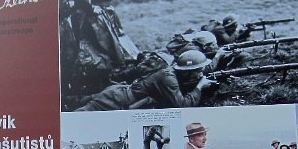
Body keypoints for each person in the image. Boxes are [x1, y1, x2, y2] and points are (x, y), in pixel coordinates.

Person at [62, 0, 139, 99]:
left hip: (101, 13)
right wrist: (92, 9)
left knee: (108, 48)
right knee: (93, 50)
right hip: (89, 16)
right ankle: (91, 85)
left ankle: (104, 80)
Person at [76, 50, 218, 111]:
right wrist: (199, 87)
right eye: (198, 70)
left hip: (119, 96)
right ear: (187, 71)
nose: (200, 74)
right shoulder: (169, 78)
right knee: (79, 116)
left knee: (78, 102)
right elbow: (182, 105)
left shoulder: (175, 73)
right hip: (116, 100)